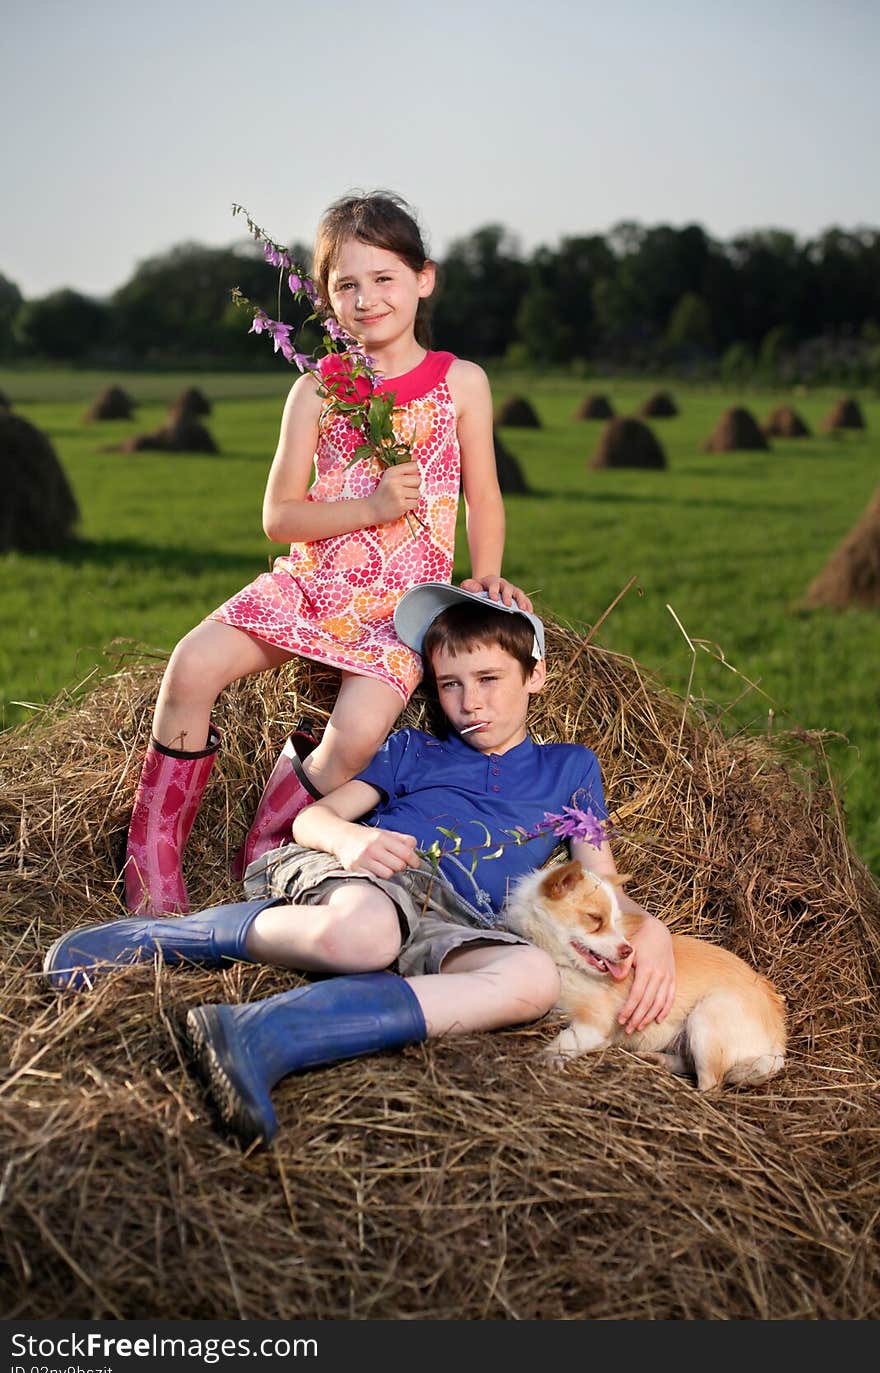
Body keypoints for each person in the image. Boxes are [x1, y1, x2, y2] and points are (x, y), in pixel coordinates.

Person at [45, 583, 676, 1150]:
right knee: (368, 936)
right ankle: (164, 937)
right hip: (374, 880)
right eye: (450, 685)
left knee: (532, 979)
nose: (468, 702)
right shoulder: (414, 751)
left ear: (534, 676)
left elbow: (603, 884)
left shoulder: (571, 770)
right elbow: (309, 821)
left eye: (489, 679)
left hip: (459, 920)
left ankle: (267, 1034)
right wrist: (350, 844)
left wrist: (659, 935)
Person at [124, 190, 529, 916]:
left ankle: (270, 851)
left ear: (423, 279)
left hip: (402, 609)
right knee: (191, 665)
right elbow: (279, 517)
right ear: (324, 297)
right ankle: (153, 864)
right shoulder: (316, 391)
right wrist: (370, 507)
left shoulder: (461, 383)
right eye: (346, 284)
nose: (367, 298)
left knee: (356, 739)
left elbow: (484, 494)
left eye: (385, 279)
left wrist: (487, 574)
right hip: (312, 584)